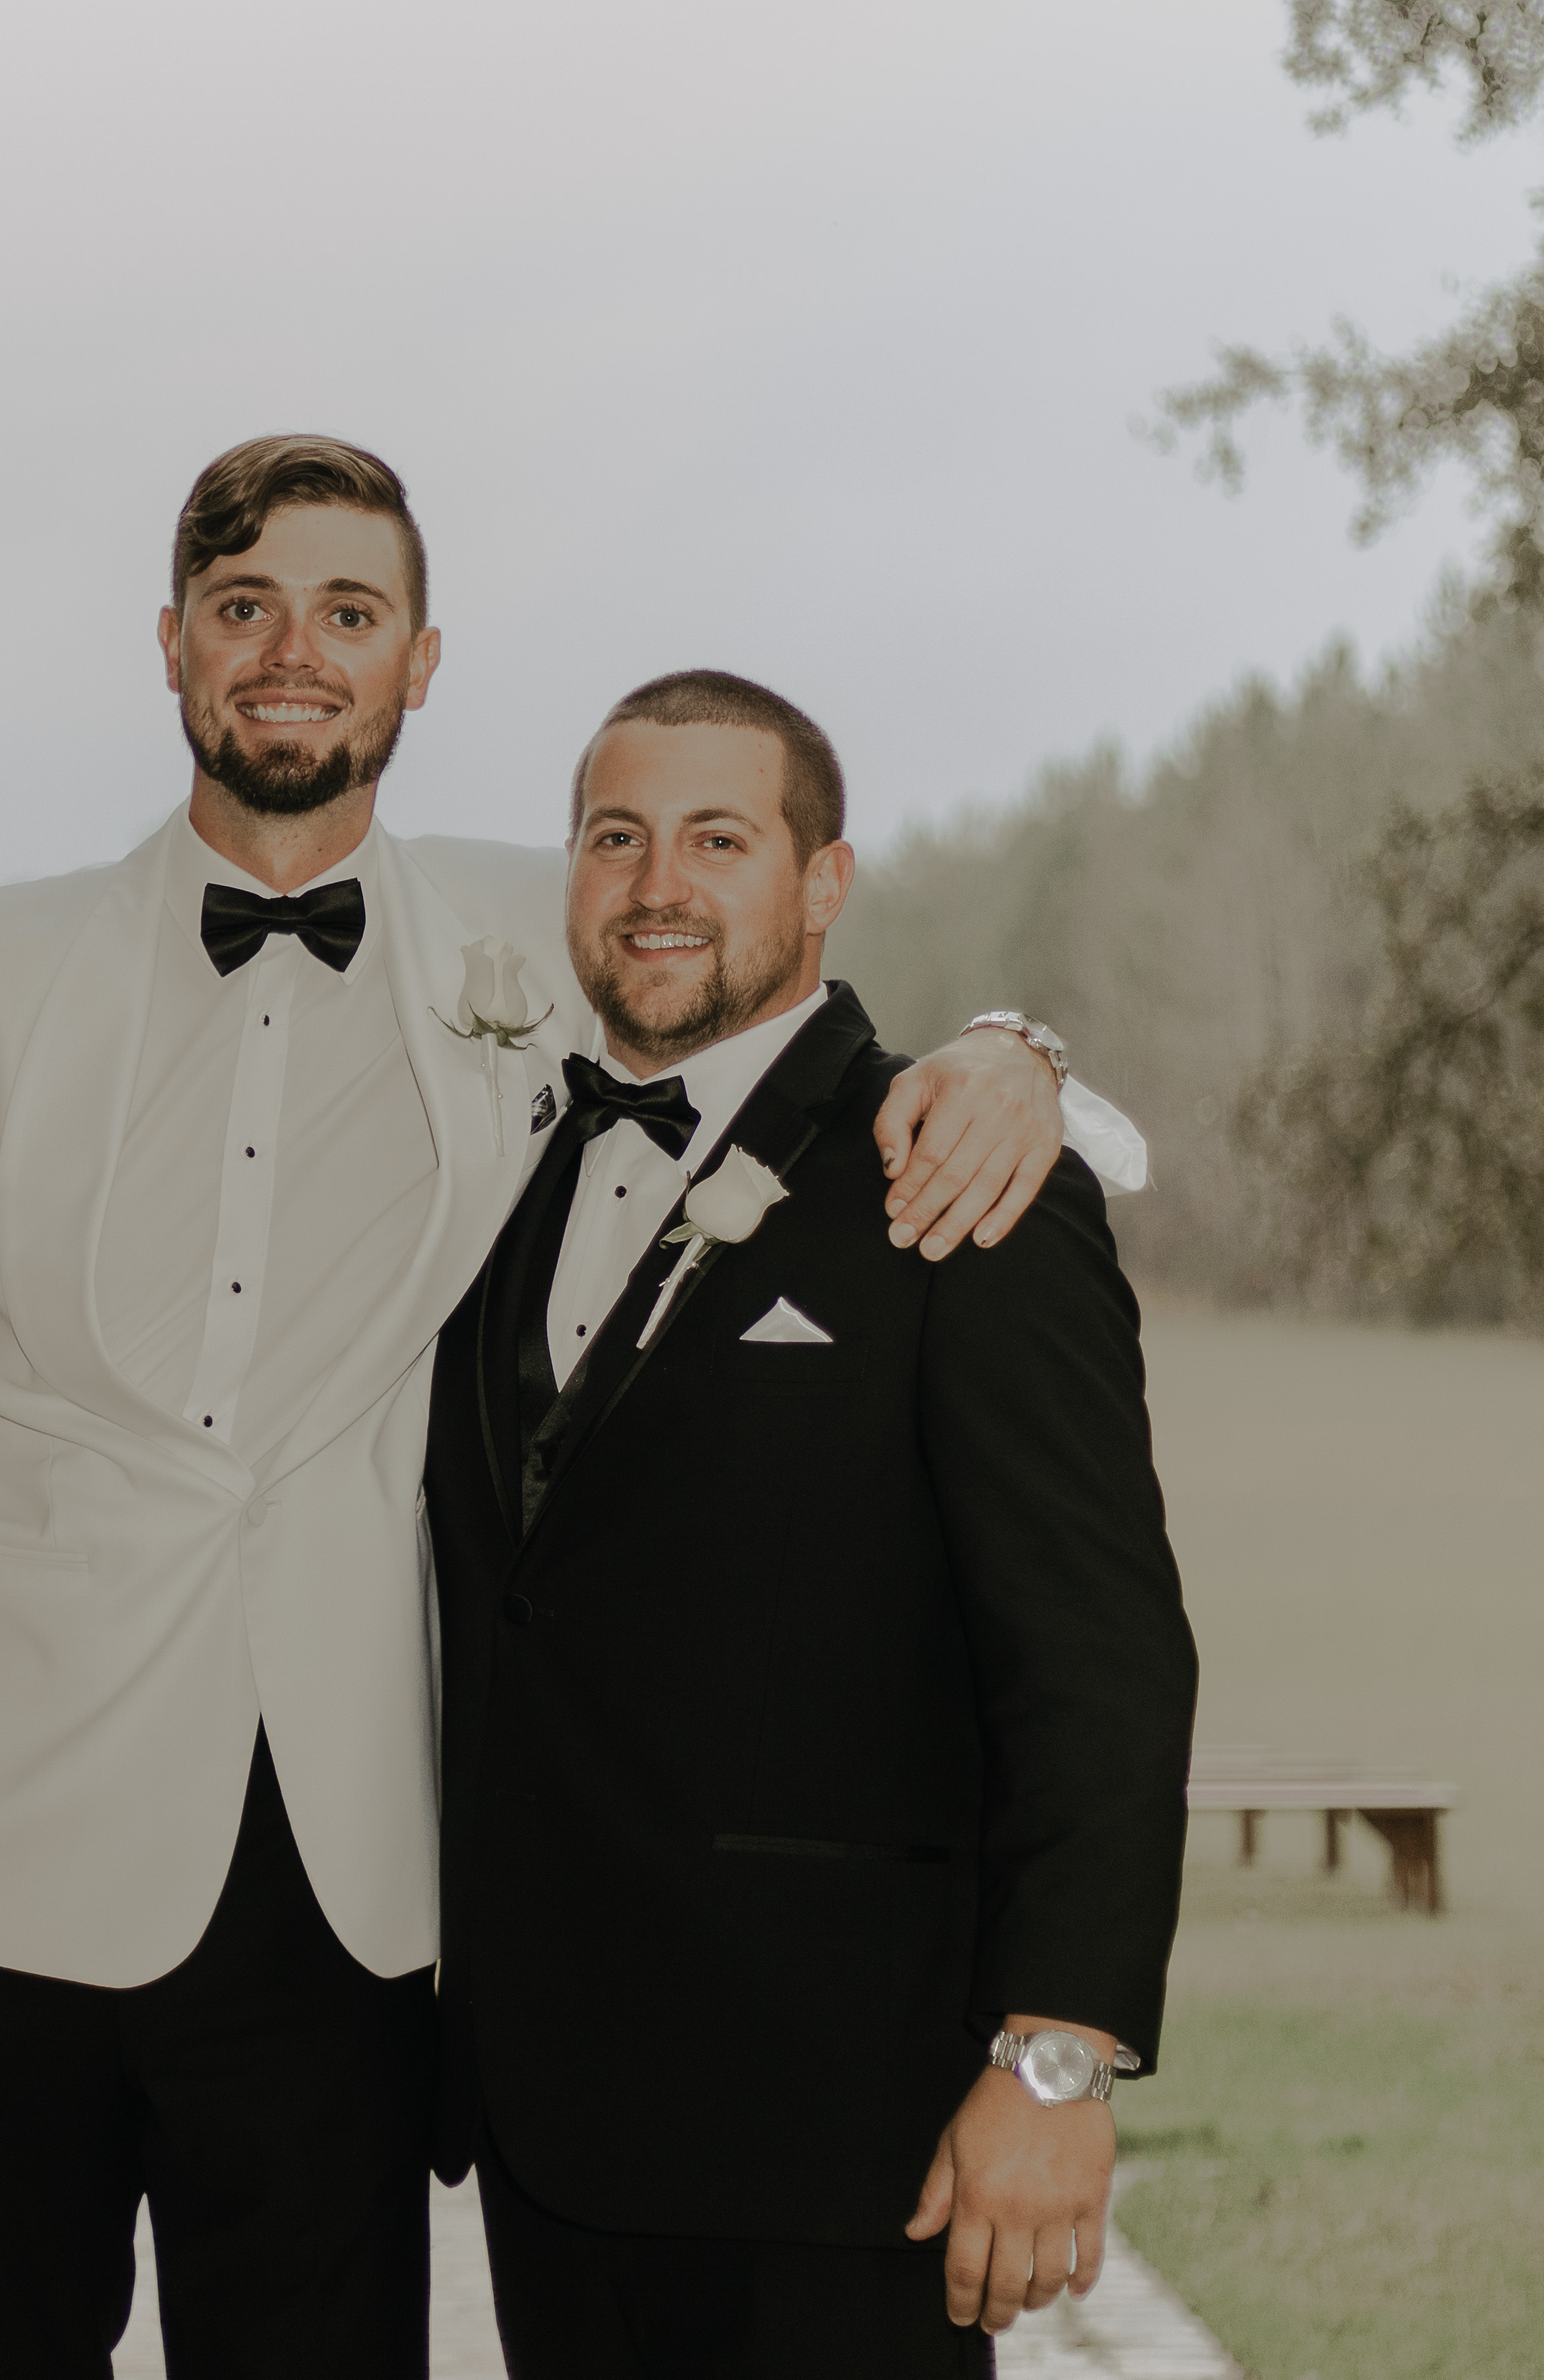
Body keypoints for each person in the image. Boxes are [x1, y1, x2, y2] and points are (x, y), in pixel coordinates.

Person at [0, 436, 1149, 2377]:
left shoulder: (548, 928)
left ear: (421, 662)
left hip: (349, 1916)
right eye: (245, 606)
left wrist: (1020, 1056)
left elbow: (776, 996)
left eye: (349, 610)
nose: (295, 650)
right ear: (174, 644)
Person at [423, 669, 1194, 2375]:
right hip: (553, 2118)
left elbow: (1101, 1658)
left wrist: (1058, 2057)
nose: (657, 885)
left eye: (719, 839)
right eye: (615, 838)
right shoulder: (494, 1165)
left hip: (846, 2123)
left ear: (823, 881)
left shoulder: (973, 1177)